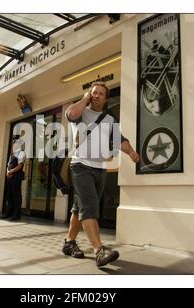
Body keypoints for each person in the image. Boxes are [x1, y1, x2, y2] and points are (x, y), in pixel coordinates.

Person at [63, 82, 140, 267]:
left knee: (79, 207)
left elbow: (120, 140)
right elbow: (70, 114)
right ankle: (99, 250)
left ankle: (69, 242)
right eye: (94, 92)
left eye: (100, 94)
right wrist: (85, 98)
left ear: (105, 99)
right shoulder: (81, 112)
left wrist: (131, 152)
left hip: (100, 168)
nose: (96, 95)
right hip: (80, 165)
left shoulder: (108, 119)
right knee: (89, 207)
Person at [1, 136, 26, 221]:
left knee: (16, 196)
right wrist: (8, 171)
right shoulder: (12, 154)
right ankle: (9, 213)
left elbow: (20, 166)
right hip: (10, 176)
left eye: (15, 143)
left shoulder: (21, 153)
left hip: (16, 177)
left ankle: (16, 214)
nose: (13, 145)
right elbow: (8, 164)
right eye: (13, 143)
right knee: (9, 195)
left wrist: (11, 172)